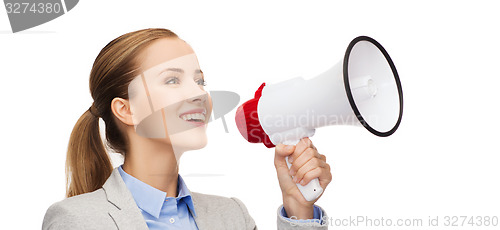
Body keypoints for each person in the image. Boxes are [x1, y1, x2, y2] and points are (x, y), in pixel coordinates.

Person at [42, 28, 332, 229]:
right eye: (172, 80)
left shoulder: (231, 216)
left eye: (200, 81)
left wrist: (298, 208)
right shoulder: (76, 220)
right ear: (127, 109)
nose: (199, 94)